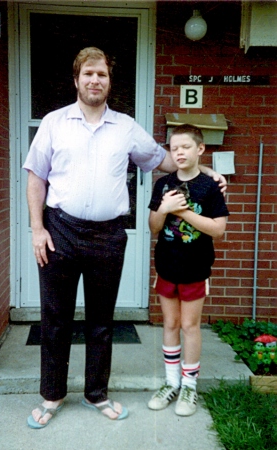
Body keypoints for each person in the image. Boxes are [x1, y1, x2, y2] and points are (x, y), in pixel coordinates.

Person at [23, 47, 227, 428]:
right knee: (55, 318)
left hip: (108, 236)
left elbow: (163, 159)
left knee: (102, 320)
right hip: (59, 231)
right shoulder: (54, 123)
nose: (95, 80)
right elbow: (36, 176)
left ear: (109, 80)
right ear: (77, 79)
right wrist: (37, 229)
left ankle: (96, 394)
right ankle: (51, 395)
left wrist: (207, 172)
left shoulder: (126, 127)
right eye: (88, 74)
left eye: (101, 74)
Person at [147, 124, 229, 416]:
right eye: (174, 147)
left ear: (200, 150)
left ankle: (189, 386)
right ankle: (171, 383)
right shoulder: (163, 184)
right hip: (167, 265)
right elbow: (154, 226)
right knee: (169, 325)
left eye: (185, 147)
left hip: (195, 267)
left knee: (189, 326)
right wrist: (164, 208)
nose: (179, 152)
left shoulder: (210, 187)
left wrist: (182, 212)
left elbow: (218, 230)